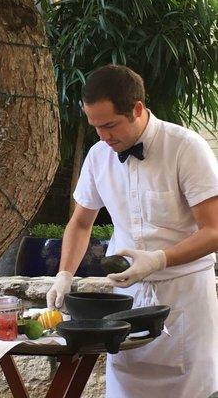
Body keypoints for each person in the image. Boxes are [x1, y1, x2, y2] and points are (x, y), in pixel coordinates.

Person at [46, 64, 218, 398]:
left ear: (137, 109)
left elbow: (214, 230)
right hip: (127, 303)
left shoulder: (185, 148)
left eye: (110, 125)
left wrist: (158, 259)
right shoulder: (99, 156)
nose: (103, 136)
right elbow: (81, 223)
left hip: (183, 298)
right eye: (95, 126)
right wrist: (64, 273)